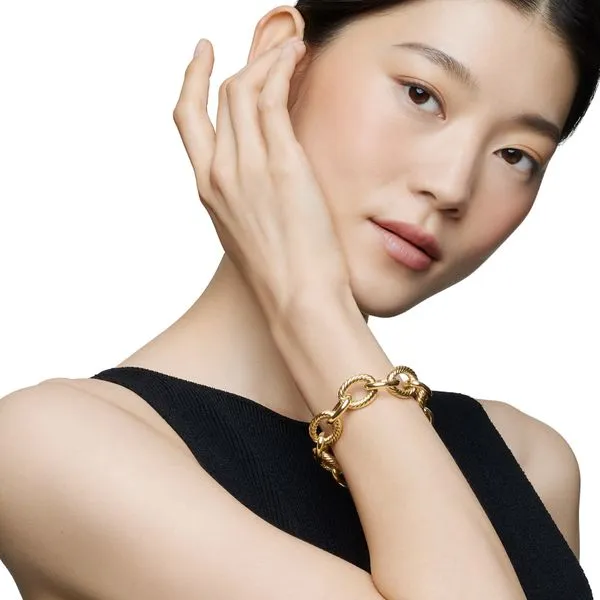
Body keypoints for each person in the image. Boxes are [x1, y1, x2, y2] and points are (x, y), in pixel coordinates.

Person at [0, 0, 597, 598]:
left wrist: (312, 307)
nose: (451, 185)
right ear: (281, 58)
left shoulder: (528, 462)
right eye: (421, 95)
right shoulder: (51, 446)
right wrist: (309, 304)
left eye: (516, 155)